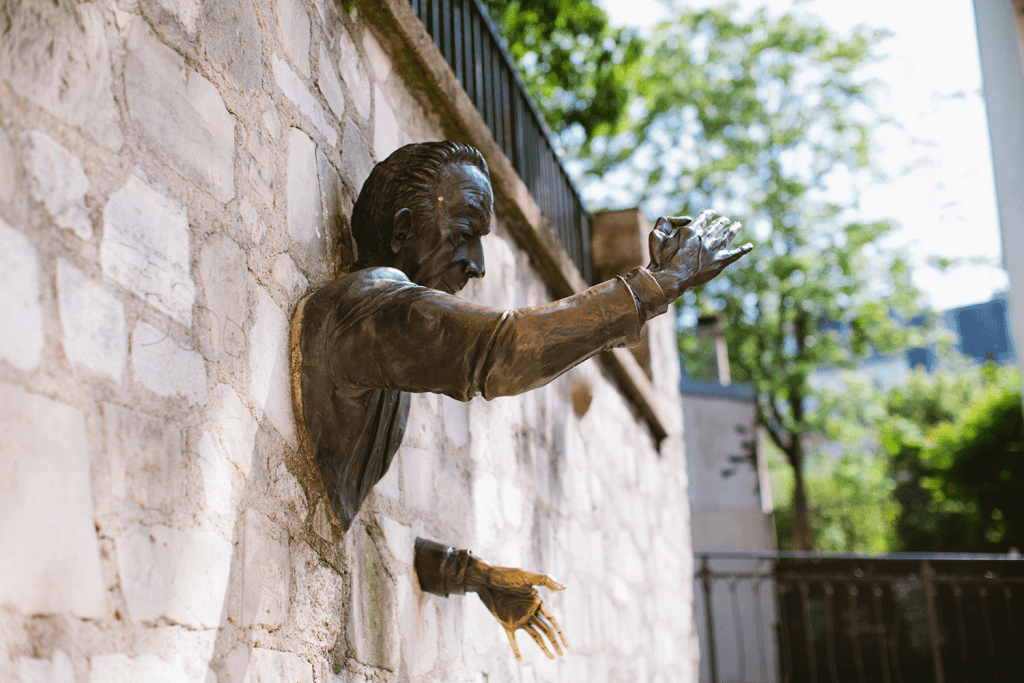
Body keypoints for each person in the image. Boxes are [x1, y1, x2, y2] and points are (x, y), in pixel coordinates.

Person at [290, 141, 751, 659]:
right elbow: (507, 349)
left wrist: (470, 574)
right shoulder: (367, 308)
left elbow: (377, 537)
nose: (478, 265)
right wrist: (658, 285)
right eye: (465, 236)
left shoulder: (389, 344)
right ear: (402, 230)